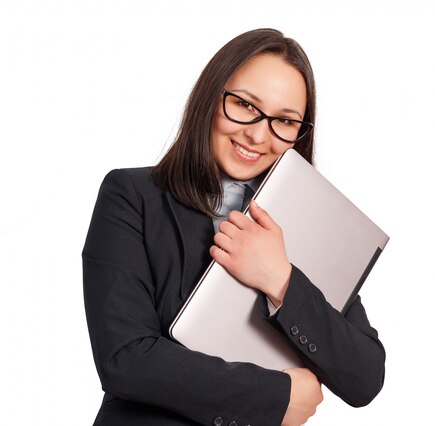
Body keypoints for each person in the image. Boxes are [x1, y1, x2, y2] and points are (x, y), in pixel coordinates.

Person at [83, 28, 385, 426]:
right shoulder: (132, 195)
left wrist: (281, 279)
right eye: (244, 104)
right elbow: (125, 359)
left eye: (285, 121)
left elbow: (364, 377)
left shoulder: (305, 222)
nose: (258, 135)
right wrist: (278, 396)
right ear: (210, 97)